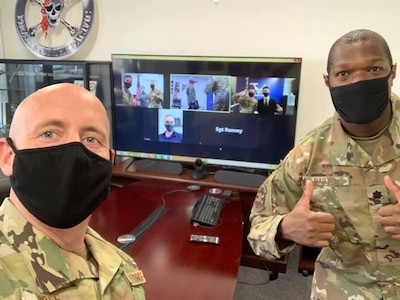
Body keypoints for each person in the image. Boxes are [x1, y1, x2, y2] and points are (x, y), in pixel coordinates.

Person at [247, 29, 400, 299]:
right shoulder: (307, 156)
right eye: (344, 74)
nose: (359, 81)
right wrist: (284, 229)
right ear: (327, 82)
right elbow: (259, 226)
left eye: (374, 68)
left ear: (393, 72)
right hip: (344, 289)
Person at [0, 83, 146, 299]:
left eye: (91, 139)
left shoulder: (120, 264)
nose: (75, 153)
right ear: (7, 157)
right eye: (48, 134)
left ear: (110, 161)